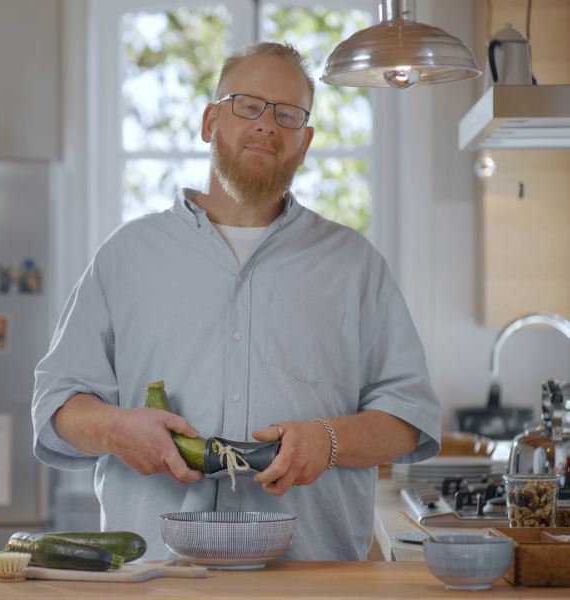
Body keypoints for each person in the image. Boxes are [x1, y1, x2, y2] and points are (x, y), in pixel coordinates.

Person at [31, 42, 441, 561]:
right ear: (209, 121)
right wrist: (113, 429)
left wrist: (329, 441)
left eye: (287, 114)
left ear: (306, 141)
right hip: (157, 581)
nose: (267, 125)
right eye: (249, 105)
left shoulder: (353, 263)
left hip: (313, 583)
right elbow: (58, 403)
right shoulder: (126, 255)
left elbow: (409, 416)